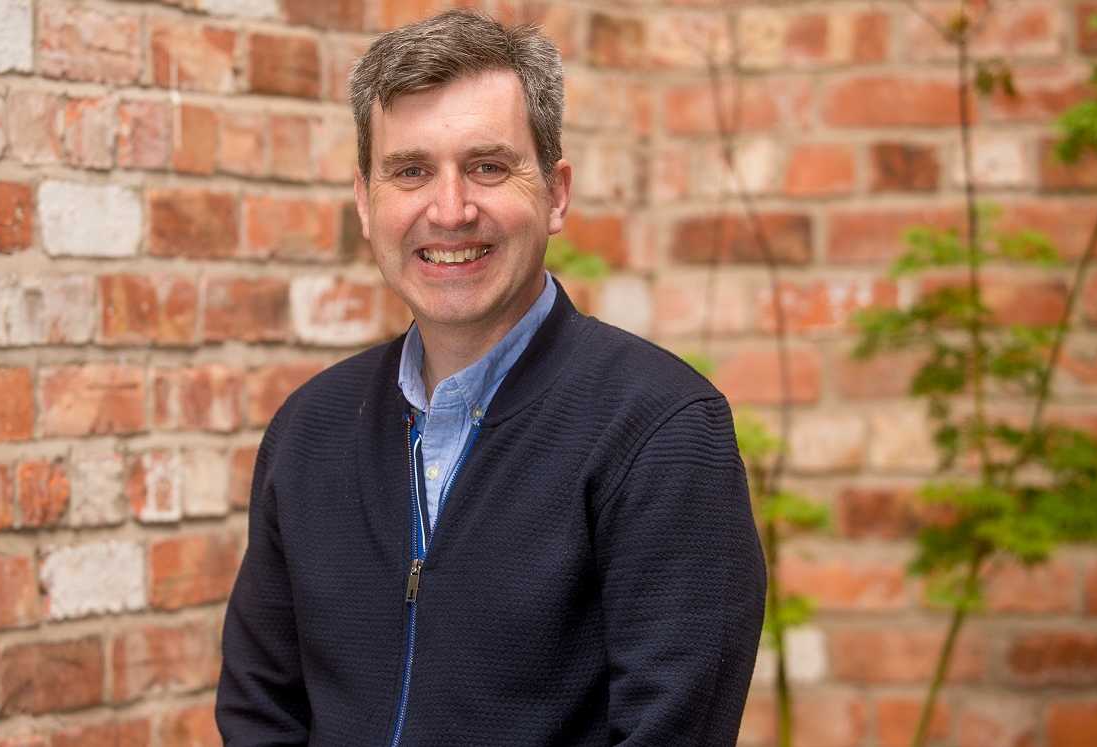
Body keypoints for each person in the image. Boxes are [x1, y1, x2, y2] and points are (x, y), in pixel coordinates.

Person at [217, 9, 765, 745]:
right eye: (410, 171)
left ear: (557, 193)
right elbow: (260, 714)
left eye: (488, 166)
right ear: (365, 202)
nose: (450, 210)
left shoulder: (662, 431)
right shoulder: (310, 430)